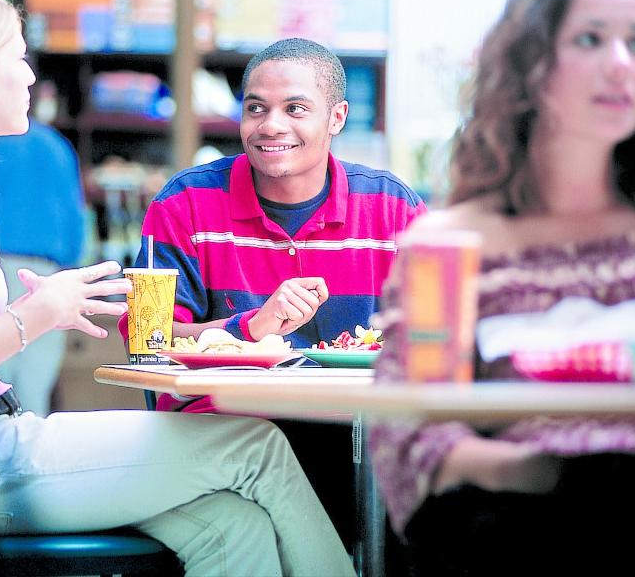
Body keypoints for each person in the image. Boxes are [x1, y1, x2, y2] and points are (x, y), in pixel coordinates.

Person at [0, 0, 357, 576]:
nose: (32, 76)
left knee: (234, 525)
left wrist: (45, 310)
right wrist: (40, 312)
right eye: (19, 57)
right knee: (259, 446)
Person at [369, 0, 635, 575]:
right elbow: (410, 432)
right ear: (529, 64)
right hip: (514, 524)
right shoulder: (449, 245)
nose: (622, 65)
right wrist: (536, 474)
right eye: (590, 38)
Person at [121, 37, 426, 546]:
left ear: (337, 117)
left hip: (359, 438)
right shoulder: (185, 203)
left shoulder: (393, 209)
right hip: (225, 439)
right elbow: (144, 340)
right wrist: (249, 329)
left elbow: (440, 335)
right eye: (255, 108)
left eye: (295, 108)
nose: (270, 125)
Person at [0, 118, 85, 415]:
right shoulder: (56, 144)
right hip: (48, 274)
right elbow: (75, 219)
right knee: (34, 386)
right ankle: (23, 460)